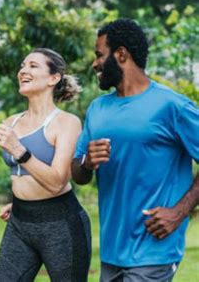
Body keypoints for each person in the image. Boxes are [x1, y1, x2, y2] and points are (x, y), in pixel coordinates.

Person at [72, 18, 199, 281]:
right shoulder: (97, 109)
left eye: (99, 55)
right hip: (111, 253)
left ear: (121, 54)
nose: (95, 63)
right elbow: (78, 174)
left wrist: (178, 212)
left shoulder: (171, 106)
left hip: (154, 252)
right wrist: (86, 163)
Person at [0, 48, 91, 281]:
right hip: (20, 221)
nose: (23, 70)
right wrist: (21, 199)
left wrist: (18, 149)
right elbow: (20, 175)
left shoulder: (66, 123)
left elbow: (58, 181)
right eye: (22, 66)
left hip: (62, 224)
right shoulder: (11, 122)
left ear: (53, 78)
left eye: (33, 66)